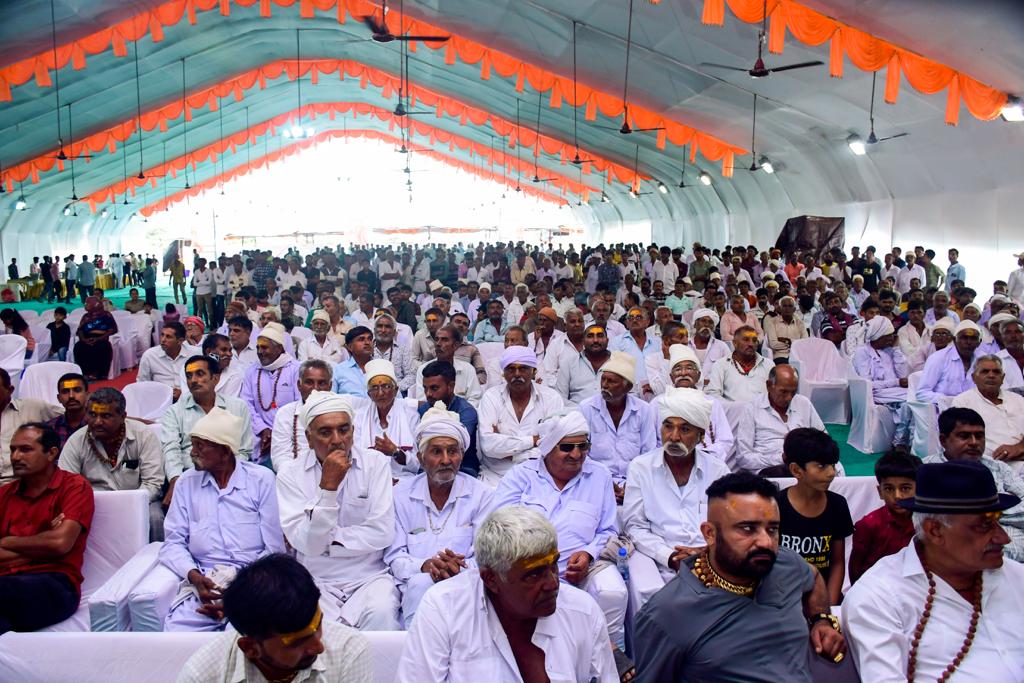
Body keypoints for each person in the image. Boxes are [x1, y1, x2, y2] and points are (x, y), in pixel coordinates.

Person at [634, 472, 846, 680]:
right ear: (710, 533)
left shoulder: (785, 563)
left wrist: (821, 620)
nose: (765, 542)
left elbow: (814, 576)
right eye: (747, 529)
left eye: (772, 529)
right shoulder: (666, 613)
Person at [842, 461, 1024, 681]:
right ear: (935, 531)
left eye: (998, 521)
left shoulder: (1016, 576)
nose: (1003, 538)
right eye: (985, 525)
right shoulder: (879, 597)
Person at [396, 506, 618, 682]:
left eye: (552, 566)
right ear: (491, 579)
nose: (552, 584)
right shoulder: (444, 607)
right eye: (533, 574)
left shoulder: (583, 610)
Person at [490, 411, 629, 654]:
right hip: (528, 571)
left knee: (613, 591)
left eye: (583, 446)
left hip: (581, 571)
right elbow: (500, 527)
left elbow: (607, 529)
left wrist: (588, 554)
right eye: (566, 447)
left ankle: (606, 660)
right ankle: (601, 652)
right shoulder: (521, 477)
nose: (576, 455)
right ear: (548, 448)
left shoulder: (599, 476)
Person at [275, 392, 401, 630]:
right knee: (319, 632)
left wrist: (327, 542)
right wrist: (328, 488)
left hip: (370, 576)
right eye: (325, 432)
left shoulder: (375, 464)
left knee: (381, 614)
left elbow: (382, 533)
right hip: (315, 579)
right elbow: (307, 545)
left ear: (353, 431)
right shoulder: (290, 474)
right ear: (309, 439)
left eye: (344, 430)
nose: (337, 440)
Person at [159, 408, 285, 631]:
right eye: (192, 444)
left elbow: (274, 549)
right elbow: (173, 543)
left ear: (225, 452)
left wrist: (238, 587)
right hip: (204, 582)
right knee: (176, 633)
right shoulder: (187, 482)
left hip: (253, 580)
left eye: (200, 446)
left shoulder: (261, 480)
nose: (192, 452)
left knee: (241, 635)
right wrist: (195, 577)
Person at [177, 553, 373, 682]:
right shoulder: (202, 676)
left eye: (318, 624)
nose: (319, 646)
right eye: (298, 642)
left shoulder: (349, 649)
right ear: (250, 648)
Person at [384, 401, 491, 628]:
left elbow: (487, 556)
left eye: (452, 451)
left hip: (467, 584)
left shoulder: (481, 495)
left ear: (461, 456)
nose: (445, 460)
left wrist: (457, 568)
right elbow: (395, 556)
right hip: (415, 589)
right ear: (421, 459)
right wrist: (425, 566)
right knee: (421, 584)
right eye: (436, 452)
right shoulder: (400, 495)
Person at [623, 388, 731, 608]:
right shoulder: (641, 468)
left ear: (701, 436)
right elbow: (634, 526)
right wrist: (670, 557)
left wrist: (706, 553)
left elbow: (729, 526)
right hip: (663, 565)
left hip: (711, 563)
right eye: (668, 426)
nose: (673, 437)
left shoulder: (718, 470)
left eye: (685, 429)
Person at [0, 423, 94, 633]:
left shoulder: (74, 487)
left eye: (25, 449)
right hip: (6, 580)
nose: (15, 457)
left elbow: (60, 543)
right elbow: (53, 545)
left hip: (55, 583)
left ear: (51, 453)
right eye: (12, 449)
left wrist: (7, 541)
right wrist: (43, 545)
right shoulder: (4, 494)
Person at [58, 387, 165, 539]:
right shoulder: (76, 441)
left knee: (155, 519)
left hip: (140, 500)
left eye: (106, 416)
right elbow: (66, 486)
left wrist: (129, 506)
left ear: (123, 416)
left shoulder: (143, 435)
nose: (97, 422)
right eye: (92, 415)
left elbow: (153, 483)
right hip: (93, 504)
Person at [923, 407, 1024, 560]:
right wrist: (1000, 504)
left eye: (979, 436)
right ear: (943, 440)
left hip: (1013, 546)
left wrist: (988, 513)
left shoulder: (998, 467)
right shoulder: (926, 471)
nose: (974, 443)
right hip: (957, 551)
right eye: (964, 436)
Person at [775, 429, 854, 605]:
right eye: (821, 466)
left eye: (833, 465)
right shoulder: (776, 506)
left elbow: (837, 563)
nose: (831, 473)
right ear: (796, 470)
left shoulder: (838, 505)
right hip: (781, 598)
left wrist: (829, 609)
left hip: (823, 596)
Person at [160, 355, 253, 504]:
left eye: (200, 374)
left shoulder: (237, 407)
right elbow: (171, 449)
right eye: (189, 376)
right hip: (191, 476)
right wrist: (175, 480)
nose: (193, 380)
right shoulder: (174, 411)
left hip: (230, 475)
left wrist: (227, 475)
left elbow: (244, 450)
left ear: (215, 379)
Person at [477, 346, 564, 486]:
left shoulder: (551, 398)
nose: (517, 374)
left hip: (539, 474)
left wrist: (510, 452)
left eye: (523, 368)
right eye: (511, 369)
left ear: (533, 372)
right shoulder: (491, 397)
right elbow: (488, 446)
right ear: (503, 373)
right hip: (495, 476)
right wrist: (533, 440)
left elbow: (552, 446)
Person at [578, 352, 656, 497]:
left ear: (627, 387)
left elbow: (649, 452)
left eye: (612, 382)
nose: (604, 386)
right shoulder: (586, 408)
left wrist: (633, 484)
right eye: (603, 380)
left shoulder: (643, 410)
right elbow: (582, 454)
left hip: (636, 481)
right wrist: (603, 481)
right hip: (593, 479)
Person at [734, 365, 826, 474]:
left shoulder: (803, 403)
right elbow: (743, 458)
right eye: (783, 392)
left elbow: (824, 439)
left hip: (804, 463)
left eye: (793, 392)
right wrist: (781, 458)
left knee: (834, 468)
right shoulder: (752, 408)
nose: (789, 398)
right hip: (770, 469)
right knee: (787, 473)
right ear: (769, 385)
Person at [848, 450, 919, 583]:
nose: (897, 496)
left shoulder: (926, 523)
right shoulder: (868, 525)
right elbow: (856, 570)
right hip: (875, 590)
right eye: (889, 489)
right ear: (880, 491)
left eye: (905, 488)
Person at [241, 321, 301, 465]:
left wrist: (277, 433)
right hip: (259, 434)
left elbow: (299, 405)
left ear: (279, 348)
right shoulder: (252, 371)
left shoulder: (296, 369)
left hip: (289, 434)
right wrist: (263, 430)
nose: (260, 352)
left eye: (265, 347)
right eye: (258, 348)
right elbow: (246, 404)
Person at [951, 355, 1024, 471]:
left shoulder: (1018, 399)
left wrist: (1019, 447)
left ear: (1003, 377)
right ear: (974, 377)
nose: (991, 375)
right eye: (985, 371)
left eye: (996, 372)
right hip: (992, 465)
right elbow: (963, 440)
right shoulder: (963, 402)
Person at [353, 359, 421, 481]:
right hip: (369, 481)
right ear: (369, 394)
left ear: (395, 390)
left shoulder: (410, 416)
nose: (380, 393)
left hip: (403, 480)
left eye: (386, 386)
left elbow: (417, 464)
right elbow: (356, 458)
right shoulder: (359, 417)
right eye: (374, 388)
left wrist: (395, 452)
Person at [418, 360, 480, 477]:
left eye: (434, 388)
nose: (428, 394)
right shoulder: (424, 409)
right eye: (425, 388)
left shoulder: (466, 412)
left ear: (451, 386)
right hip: (430, 465)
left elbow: (456, 444)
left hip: (464, 467)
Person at [410, 325, 482, 406]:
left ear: (456, 345)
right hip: (433, 415)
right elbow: (423, 401)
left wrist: (460, 414)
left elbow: (475, 399)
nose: (438, 344)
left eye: (444, 340)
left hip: (462, 415)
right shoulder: (423, 369)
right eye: (436, 339)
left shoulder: (468, 369)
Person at [916, 319, 982, 407]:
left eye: (973, 338)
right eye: (964, 338)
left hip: (976, 409)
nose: (968, 342)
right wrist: (953, 401)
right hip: (945, 410)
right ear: (954, 340)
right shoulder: (938, 358)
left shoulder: (983, 360)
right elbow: (922, 393)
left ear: (979, 342)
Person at [705, 325, 773, 403]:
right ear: (735, 343)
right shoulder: (720, 365)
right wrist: (734, 408)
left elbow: (775, 394)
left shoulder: (769, 365)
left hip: (762, 412)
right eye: (746, 339)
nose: (751, 344)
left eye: (754, 340)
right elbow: (713, 394)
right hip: (731, 413)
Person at [556, 322, 612, 406]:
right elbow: (560, 398)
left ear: (607, 341)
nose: (595, 340)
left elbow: (631, 394)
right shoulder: (569, 363)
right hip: (577, 415)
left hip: (612, 416)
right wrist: (582, 411)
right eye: (590, 336)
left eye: (600, 336)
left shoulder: (618, 362)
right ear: (583, 341)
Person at [138, 322, 194, 400]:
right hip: (159, 400)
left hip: (190, 398)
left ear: (180, 341)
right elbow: (142, 384)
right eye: (162, 335)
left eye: (168, 337)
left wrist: (184, 393)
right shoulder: (149, 355)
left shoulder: (194, 354)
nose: (163, 340)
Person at [73, 296, 118, 380]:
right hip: (86, 338)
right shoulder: (85, 316)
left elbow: (112, 330)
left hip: (102, 338)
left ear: (95, 304)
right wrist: (83, 339)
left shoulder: (106, 315)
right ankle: (85, 372)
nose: (85, 305)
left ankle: (99, 373)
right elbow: (80, 330)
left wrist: (98, 338)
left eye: (87, 303)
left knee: (102, 347)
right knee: (78, 347)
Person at [371, 313, 416, 393]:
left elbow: (411, 376)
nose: (383, 330)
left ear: (394, 332)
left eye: (388, 327)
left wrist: (394, 389)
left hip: (397, 394)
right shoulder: (367, 349)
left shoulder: (403, 350)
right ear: (374, 330)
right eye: (380, 326)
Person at [45, 373, 88, 449]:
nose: (71, 396)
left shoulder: (97, 425)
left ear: (87, 395)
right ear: (59, 398)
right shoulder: (50, 428)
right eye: (65, 391)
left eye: (77, 390)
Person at [331, 326, 373, 398]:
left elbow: (397, 398)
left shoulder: (381, 366)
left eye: (369, 339)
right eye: (361, 339)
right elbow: (331, 399)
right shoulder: (338, 370)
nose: (367, 342)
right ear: (350, 347)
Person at [763, 295, 807, 363]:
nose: (787, 308)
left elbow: (804, 343)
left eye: (790, 306)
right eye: (785, 306)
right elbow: (773, 344)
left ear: (794, 309)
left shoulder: (800, 323)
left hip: (798, 356)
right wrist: (794, 344)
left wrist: (788, 341)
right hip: (780, 356)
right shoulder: (772, 322)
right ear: (780, 308)